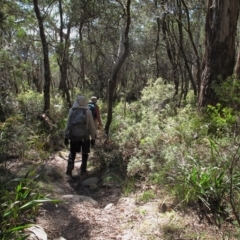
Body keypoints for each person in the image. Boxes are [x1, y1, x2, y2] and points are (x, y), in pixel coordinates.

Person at [64, 95, 96, 178]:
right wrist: (93, 138)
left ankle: (69, 168)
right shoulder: (88, 111)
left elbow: (68, 124)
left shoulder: (72, 110)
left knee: (72, 151)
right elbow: (92, 126)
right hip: (85, 135)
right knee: (85, 152)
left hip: (74, 135)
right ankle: (83, 169)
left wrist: (66, 136)